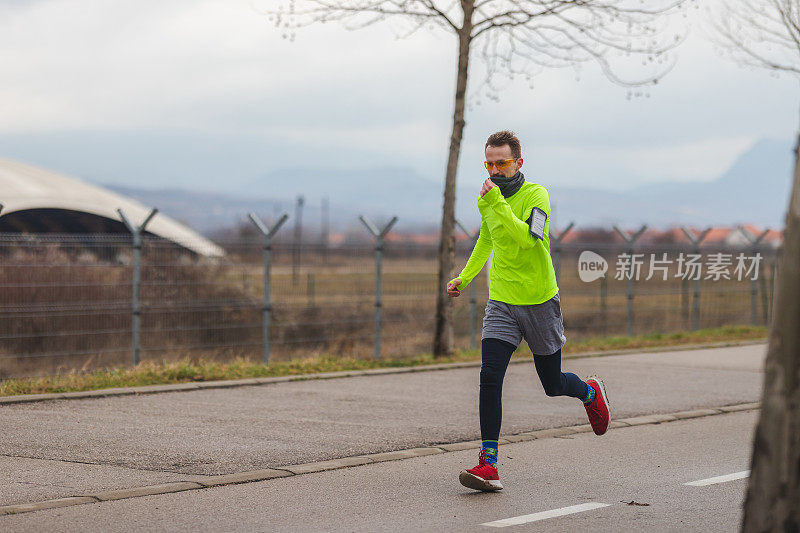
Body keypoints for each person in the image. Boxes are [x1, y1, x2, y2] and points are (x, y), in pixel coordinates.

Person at [447, 130, 610, 492]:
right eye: (488, 163)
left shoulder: (537, 195)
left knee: (552, 384)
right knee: (490, 375)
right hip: (502, 301)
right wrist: (464, 277)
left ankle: (589, 392)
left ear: (518, 163)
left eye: (501, 163)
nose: (494, 170)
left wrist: (499, 205)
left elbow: (526, 238)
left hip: (539, 301)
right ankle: (488, 464)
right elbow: (487, 241)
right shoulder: (486, 201)